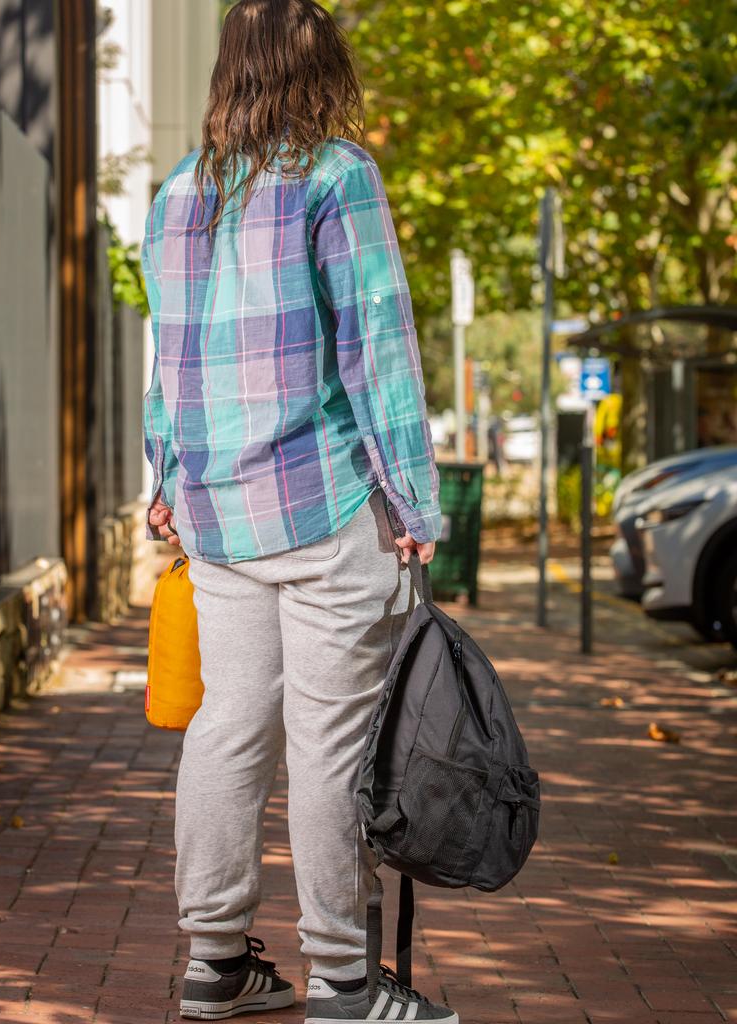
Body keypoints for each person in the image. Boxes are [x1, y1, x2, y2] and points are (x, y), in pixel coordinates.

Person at [141, 2, 454, 1021]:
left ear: (230, 68)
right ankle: (345, 983)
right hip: (322, 508)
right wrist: (413, 497)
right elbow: (376, 348)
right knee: (327, 744)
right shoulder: (337, 175)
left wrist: (165, 477)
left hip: (221, 515)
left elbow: (170, 364)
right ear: (324, 71)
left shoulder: (177, 193)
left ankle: (214, 962)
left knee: (228, 728)